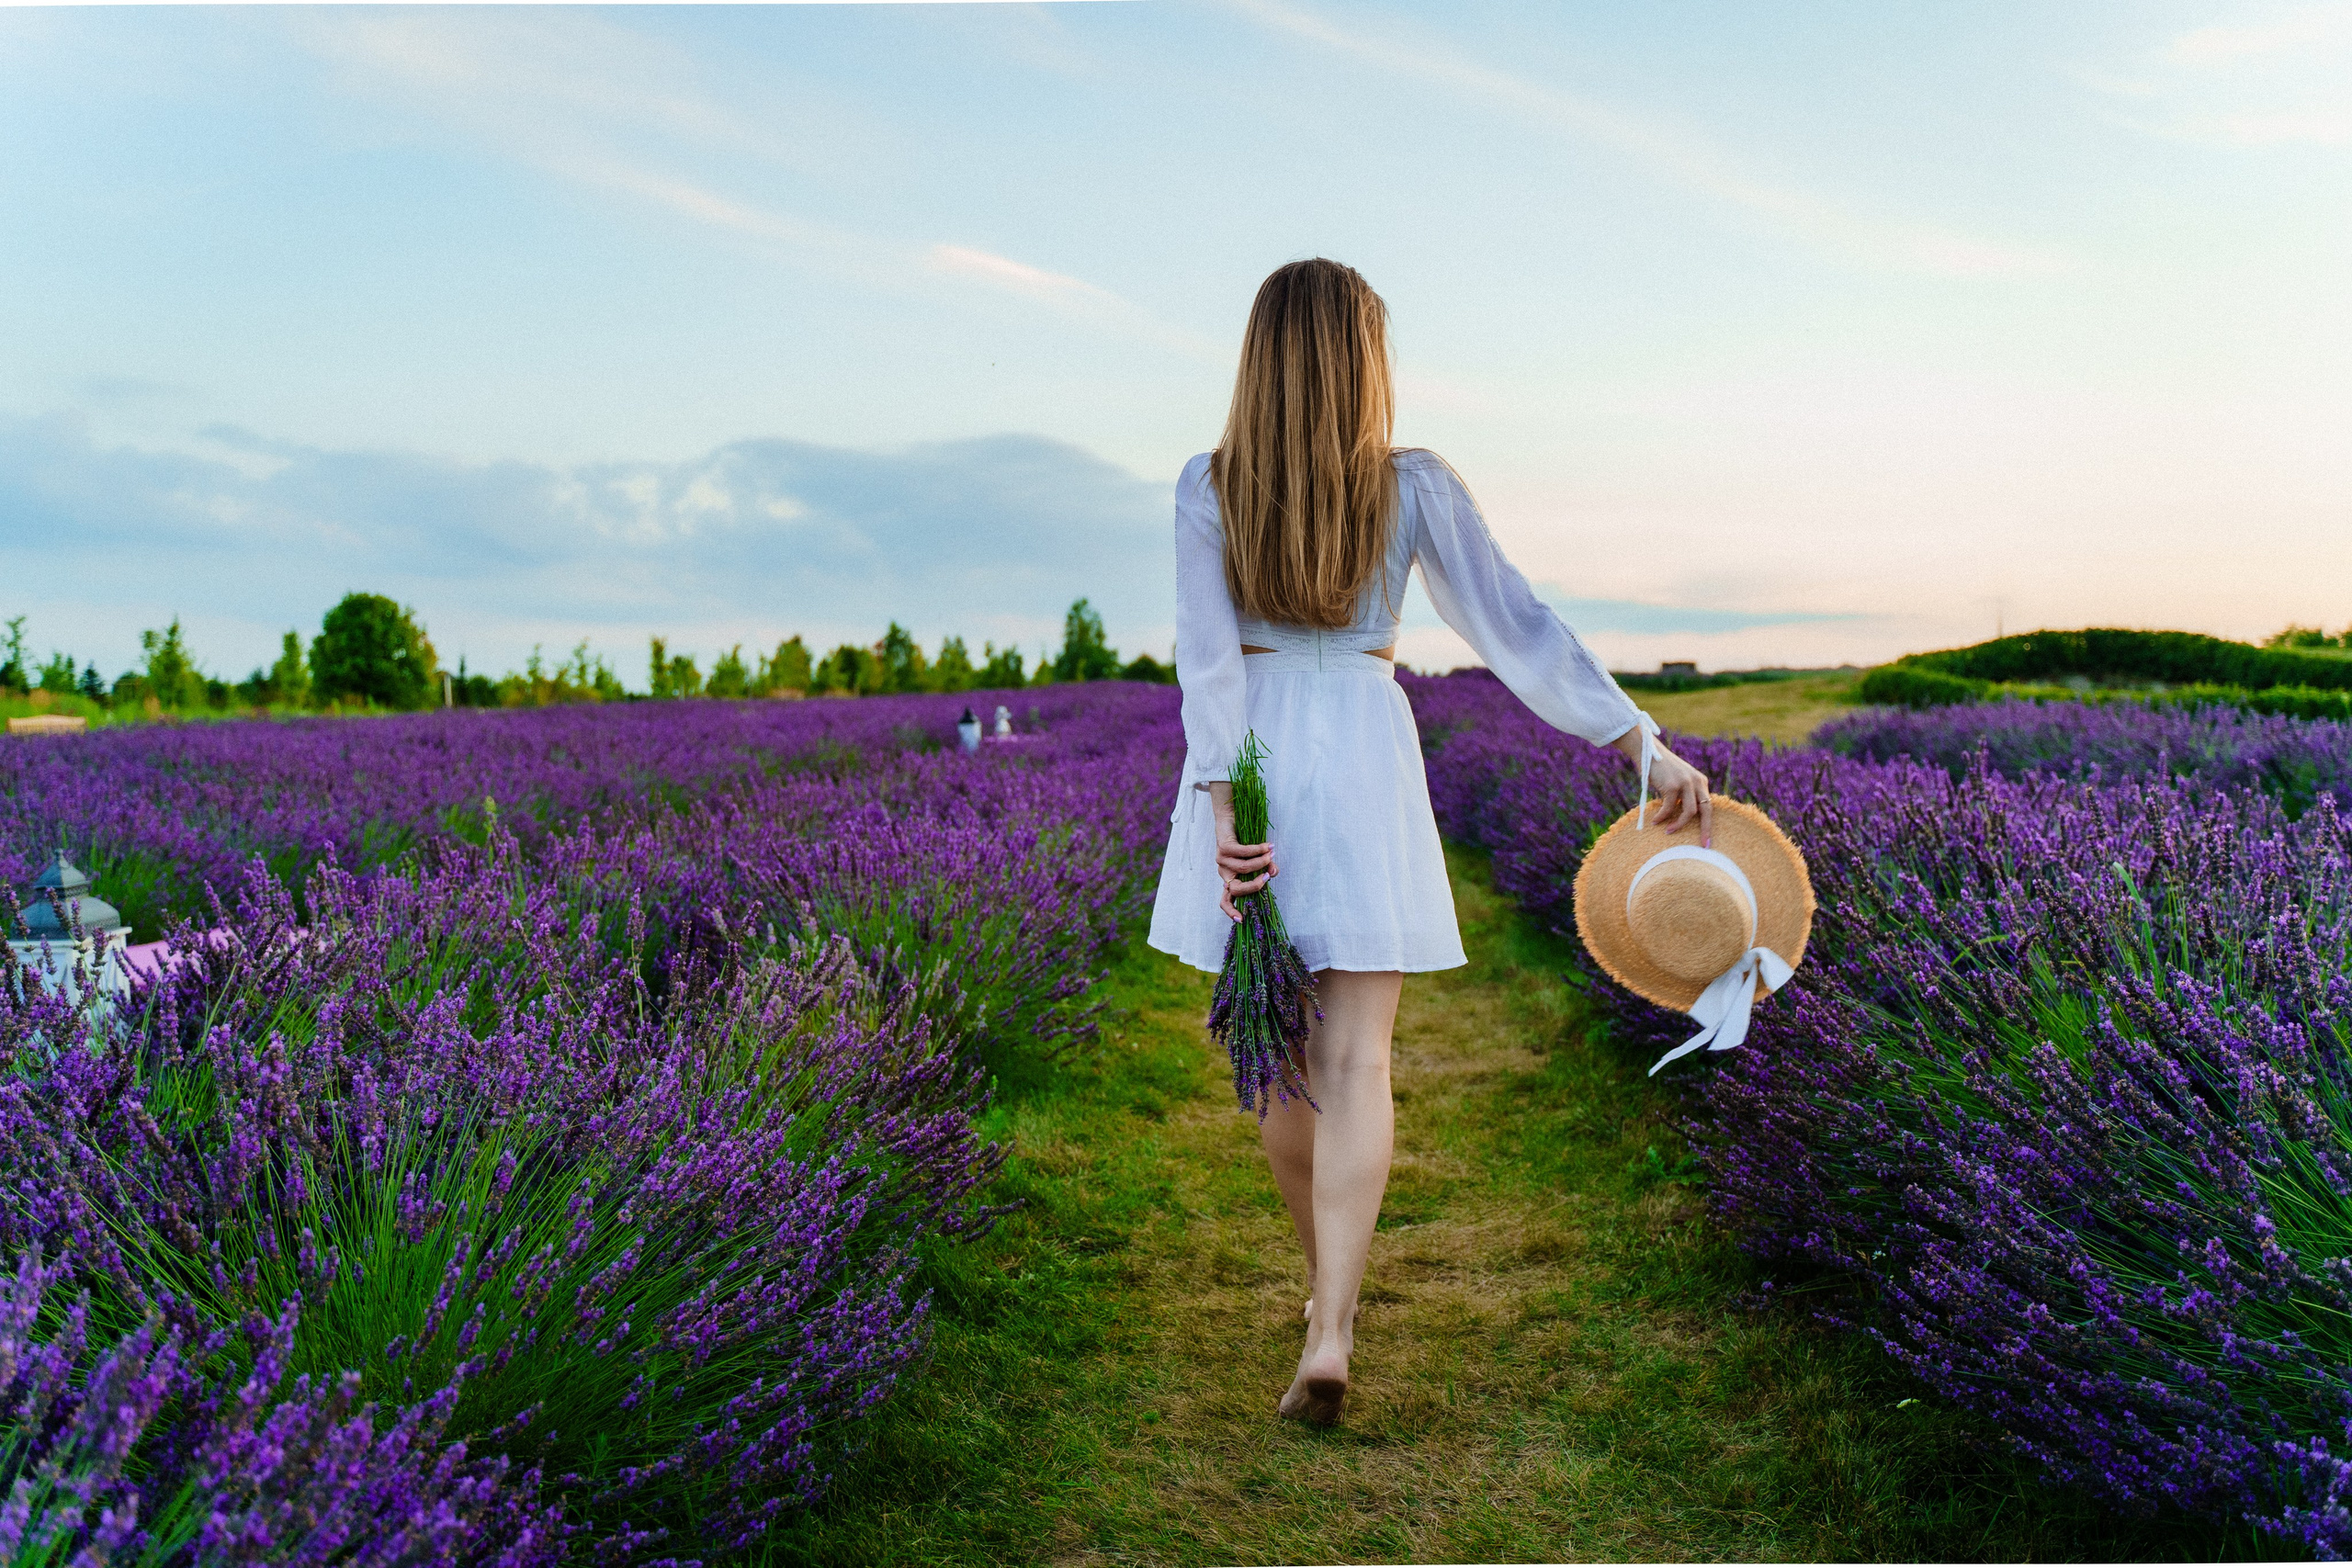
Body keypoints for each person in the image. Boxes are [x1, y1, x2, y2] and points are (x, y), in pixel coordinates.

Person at [1146, 257, 1713, 1426]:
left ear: (1259, 357)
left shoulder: (1210, 486)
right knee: (1359, 1062)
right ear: (1365, 360)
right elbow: (1516, 626)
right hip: (1360, 751)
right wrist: (1638, 743)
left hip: (1252, 757)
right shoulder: (1411, 486)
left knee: (1280, 1059)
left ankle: (1318, 1302)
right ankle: (1337, 1323)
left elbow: (1206, 662)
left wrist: (1218, 806)